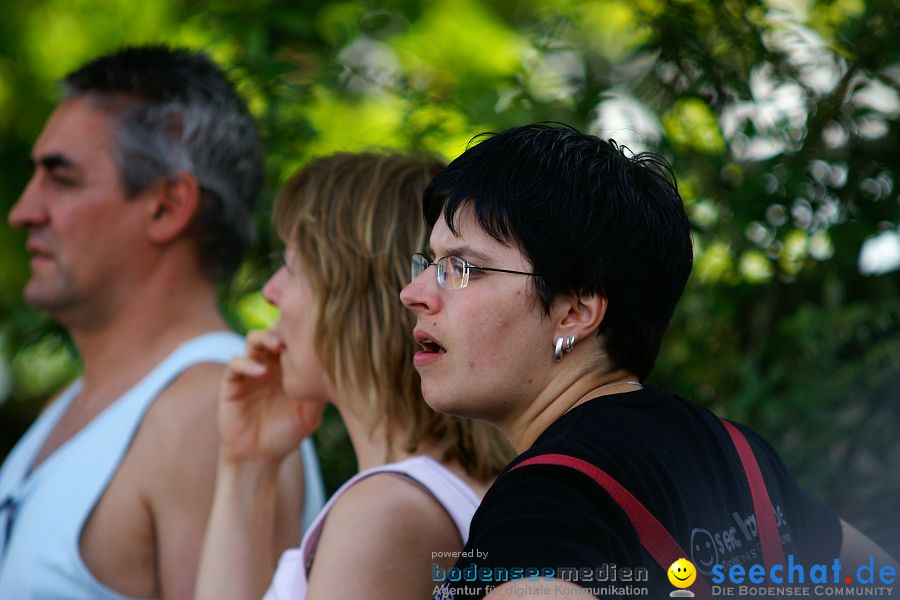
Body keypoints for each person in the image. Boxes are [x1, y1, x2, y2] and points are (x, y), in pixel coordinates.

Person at [400, 123, 898, 599]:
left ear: (575, 311)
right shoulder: (735, 451)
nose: (413, 292)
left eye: (462, 268)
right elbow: (880, 579)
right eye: (431, 263)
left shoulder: (548, 506)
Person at [0, 46, 324, 600]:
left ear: (168, 205)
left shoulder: (209, 412)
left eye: (62, 179)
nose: (24, 211)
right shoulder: (77, 401)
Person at [195, 152, 513, 600]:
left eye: (292, 266)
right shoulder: (446, 493)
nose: (270, 292)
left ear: (354, 296)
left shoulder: (384, 511)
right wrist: (247, 463)